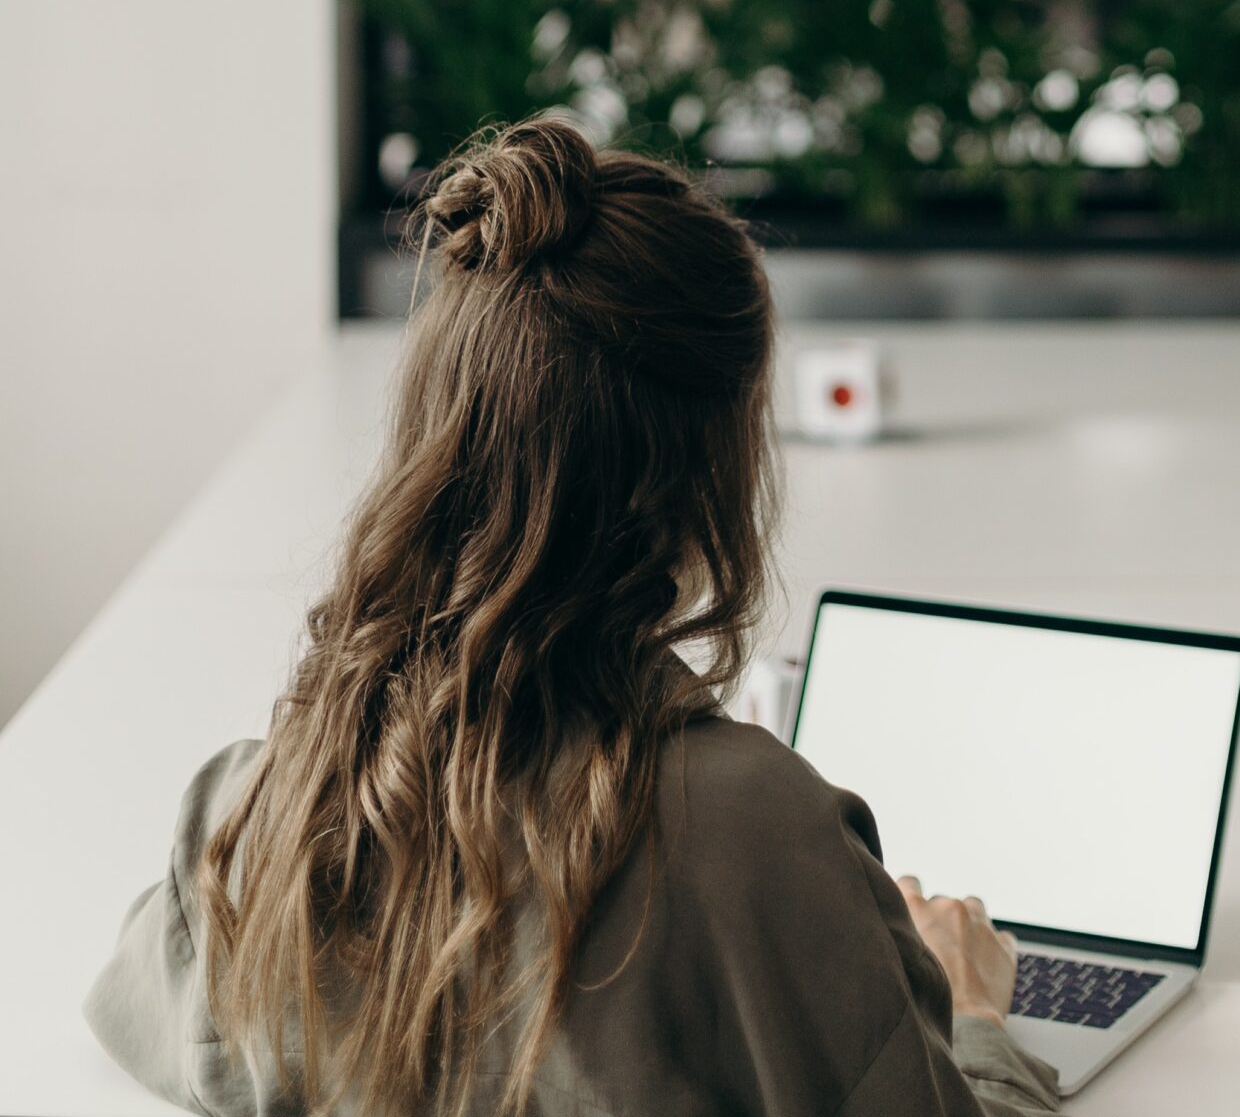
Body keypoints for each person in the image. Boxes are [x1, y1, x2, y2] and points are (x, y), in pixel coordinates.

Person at [85, 117, 1059, 1116]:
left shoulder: (260, 813)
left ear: (433, 433)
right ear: (710, 474)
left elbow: (151, 1012)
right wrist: (978, 1016)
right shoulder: (757, 838)